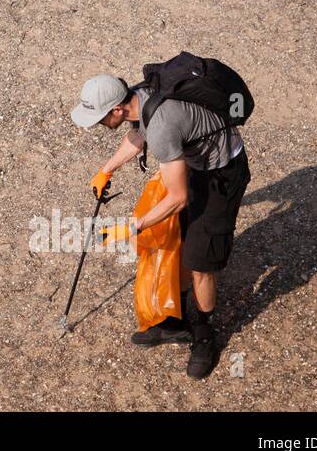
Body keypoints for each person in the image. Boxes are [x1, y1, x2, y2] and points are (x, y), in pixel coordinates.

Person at [70, 71, 250, 379]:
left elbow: (177, 197)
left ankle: (205, 333)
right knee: (175, 236)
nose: (98, 126)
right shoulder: (140, 96)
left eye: (99, 119)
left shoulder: (164, 125)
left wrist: (131, 227)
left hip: (221, 172)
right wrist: (106, 170)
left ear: (116, 109)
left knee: (201, 261)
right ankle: (174, 321)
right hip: (191, 159)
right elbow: (138, 136)